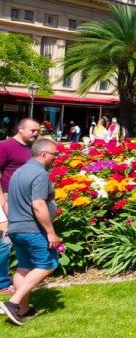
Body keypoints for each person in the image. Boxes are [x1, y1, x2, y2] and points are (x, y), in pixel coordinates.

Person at [0, 137, 60, 326]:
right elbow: (38, 204)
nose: (56, 158)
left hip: (16, 227)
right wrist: (50, 232)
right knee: (48, 263)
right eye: (54, 154)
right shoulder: (40, 174)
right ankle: (13, 303)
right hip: (31, 228)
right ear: (43, 154)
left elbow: (10, 201)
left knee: (24, 267)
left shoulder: (18, 172)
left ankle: (23, 310)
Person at [0, 119, 39, 296]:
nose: (36, 133)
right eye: (32, 130)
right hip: (8, 198)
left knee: (20, 238)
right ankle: (2, 283)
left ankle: (22, 276)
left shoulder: (31, 148)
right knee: (5, 240)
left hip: (25, 199)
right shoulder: (6, 146)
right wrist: (2, 200)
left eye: (38, 131)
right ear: (20, 129)